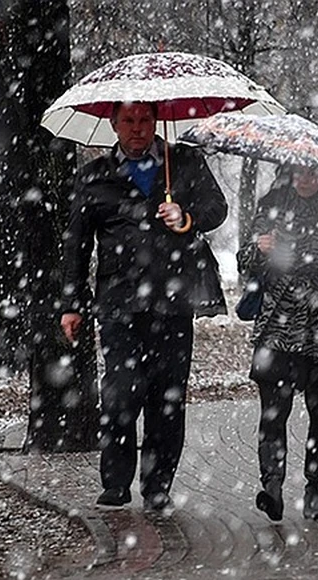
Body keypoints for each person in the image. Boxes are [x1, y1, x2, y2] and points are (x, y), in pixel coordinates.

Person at [61, 101, 228, 512]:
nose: (137, 129)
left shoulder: (182, 162)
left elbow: (216, 209)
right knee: (120, 394)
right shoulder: (96, 176)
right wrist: (72, 304)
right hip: (119, 305)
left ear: (156, 122)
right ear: (114, 125)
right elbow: (77, 245)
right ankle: (115, 483)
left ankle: (158, 485)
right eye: (129, 121)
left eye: (145, 120)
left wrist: (185, 217)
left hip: (173, 302)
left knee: (167, 398)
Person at [237, 166, 318, 522]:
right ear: (289, 175)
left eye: (314, 173)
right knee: (273, 413)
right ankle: (272, 486)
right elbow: (244, 262)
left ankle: (314, 488)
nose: (306, 179)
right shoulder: (271, 209)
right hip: (277, 326)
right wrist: (260, 248)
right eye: (299, 173)